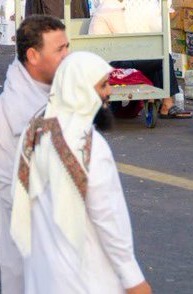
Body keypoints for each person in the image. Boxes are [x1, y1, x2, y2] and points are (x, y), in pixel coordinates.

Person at [10, 52, 151, 294]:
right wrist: (134, 279)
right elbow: (108, 218)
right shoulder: (90, 145)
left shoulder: (33, 131)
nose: (108, 94)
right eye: (102, 86)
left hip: (41, 276)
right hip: (86, 280)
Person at [0, 15, 71, 294]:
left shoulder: (67, 97)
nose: (67, 56)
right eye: (59, 50)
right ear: (33, 56)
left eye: (67, 47)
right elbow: (8, 189)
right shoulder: (5, 114)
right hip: (35, 243)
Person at [95, 0, 190, 119]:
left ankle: (165, 102)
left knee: (154, 58)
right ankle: (167, 104)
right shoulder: (113, 9)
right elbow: (124, 41)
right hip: (114, 61)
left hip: (109, 56)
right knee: (162, 59)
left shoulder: (107, 5)